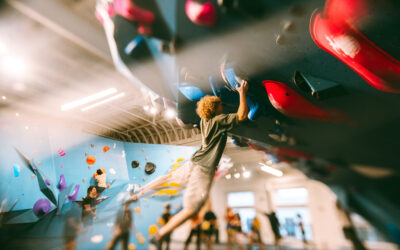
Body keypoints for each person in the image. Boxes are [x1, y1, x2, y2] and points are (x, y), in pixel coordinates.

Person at [129, 80, 249, 244]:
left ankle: (139, 193)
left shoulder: (204, 121)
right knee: (191, 210)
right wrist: (242, 92)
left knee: (168, 178)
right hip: (204, 169)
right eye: (220, 105)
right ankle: (159, 235)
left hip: (194, 162)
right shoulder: (218, 121)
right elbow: (242, 115)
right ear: (215, 109)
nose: (222, 107)